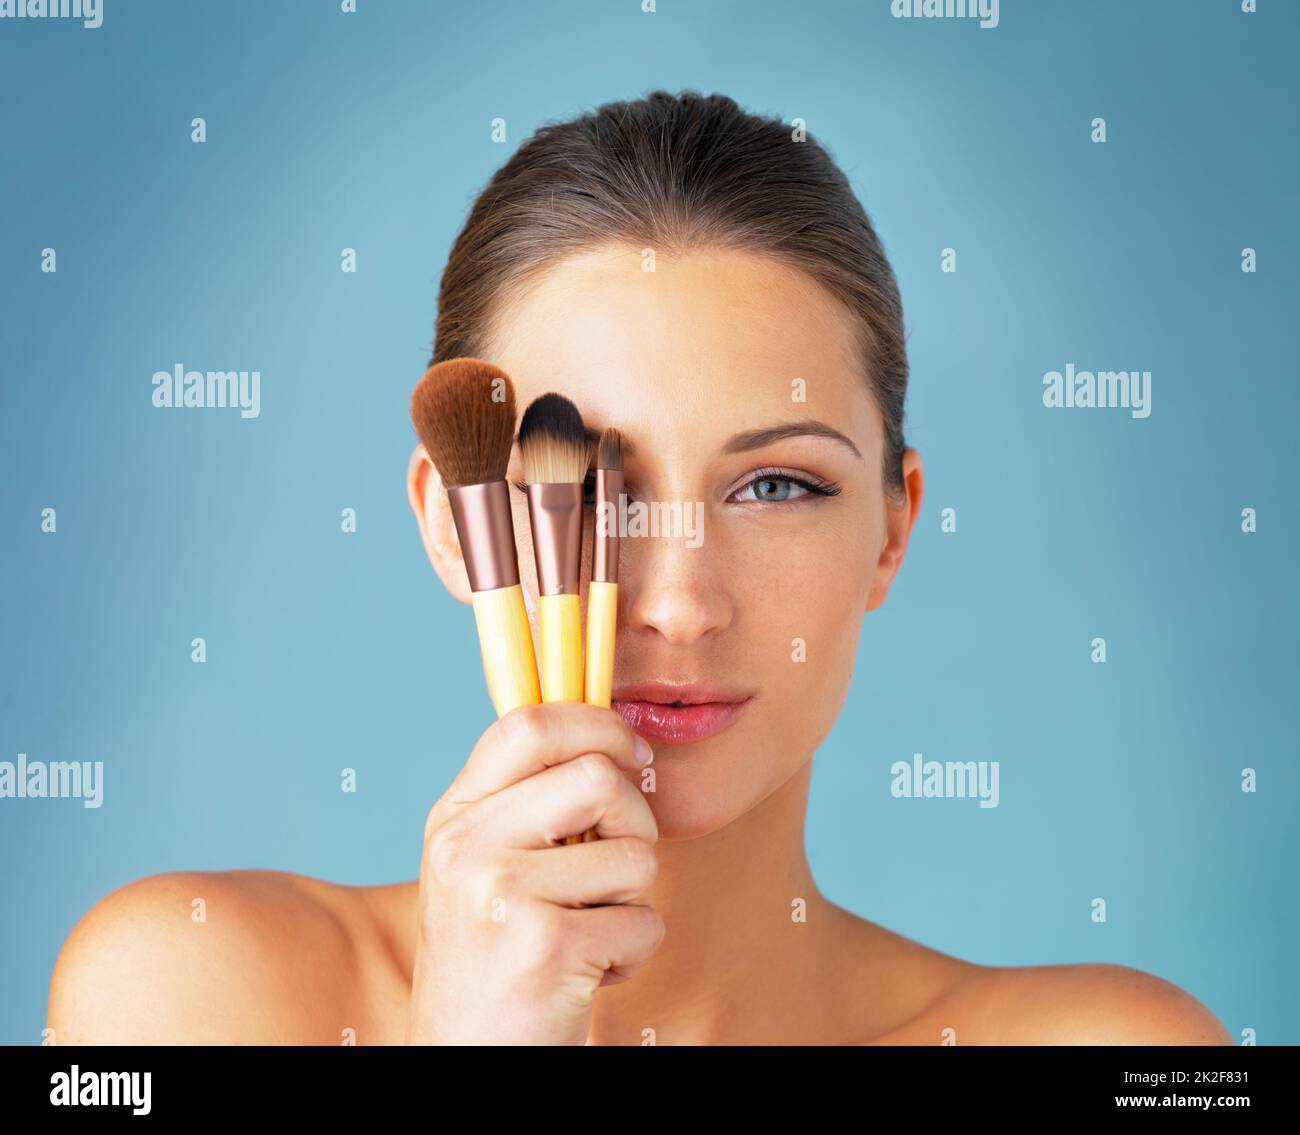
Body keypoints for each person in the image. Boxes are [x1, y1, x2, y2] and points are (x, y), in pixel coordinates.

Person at [47, 90, 1231, 1046]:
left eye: (777, 486)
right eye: (594, 495)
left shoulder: (1126, 1051)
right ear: (458, 525)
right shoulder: (180, 992)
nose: (675, 603)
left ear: (891, 526)